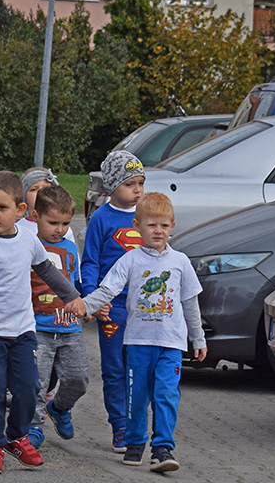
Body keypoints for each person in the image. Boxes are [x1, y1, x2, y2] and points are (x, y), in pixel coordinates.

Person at [0, 171, 86, 474]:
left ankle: (16, 436)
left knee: (28, 389)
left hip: (23, 331)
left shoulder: (28, 239)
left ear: (20, 211)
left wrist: (73, 297)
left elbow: (50, 273)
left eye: (2, 208)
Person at [70, 192, 207, 473]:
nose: (158, 231)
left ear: (172, 226)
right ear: (137, 225)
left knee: (167, 394)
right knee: (137, 396)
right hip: (138, 343)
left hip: (171, 344)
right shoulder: (130, 260)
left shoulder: (180, 262)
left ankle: (162, 448)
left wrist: (199, 337)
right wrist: (85, 305)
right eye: (151, 225)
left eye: (164, 225)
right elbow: (108, 289)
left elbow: (190, 303)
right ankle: (134, 443)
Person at [80, 150, 145, 452]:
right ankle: (119, 427)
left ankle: (137, 426)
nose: (137, 191)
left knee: (140, 369)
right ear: (113, 186)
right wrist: (93, 300)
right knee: (114, 371)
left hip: (144, 310)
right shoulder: (101, 219)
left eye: (141, 183)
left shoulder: (147, 216)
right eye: (130, 184)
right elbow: (90, 262)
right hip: (112, 309)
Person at [26, 186, 92, 449]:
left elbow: (74, 282)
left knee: (79, 378)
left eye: (65, 223)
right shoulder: (29, 245)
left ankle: (60, 408)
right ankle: (33, 426)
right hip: (38, 327)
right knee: (37, 382)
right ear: (35, 216)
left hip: (69, 328)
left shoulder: (69, 246)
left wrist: (83, 306)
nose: (60, 229)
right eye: (53, 222)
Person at [18, 168, 76, 245]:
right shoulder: (18, 228)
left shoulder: (65, 230)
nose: (40, 192)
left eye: (46, 188)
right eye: (34, 189)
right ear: (24, 196)